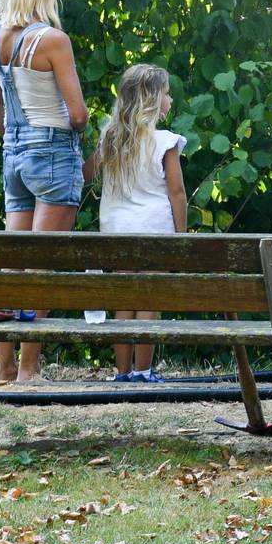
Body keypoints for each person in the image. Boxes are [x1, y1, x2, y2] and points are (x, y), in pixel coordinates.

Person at [0, 0, 91, 386]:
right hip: (53, 154)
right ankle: (29, 370)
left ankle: (3, 369)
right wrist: (62, 139)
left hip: (13, 154)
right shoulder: (53, 41)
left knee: (13, 264)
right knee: (42, 266)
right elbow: (78, 114)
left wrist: (19, 139)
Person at [89, 64, 187, 382]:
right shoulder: (164, 142)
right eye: (166, 93)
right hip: (155, 229)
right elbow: (177, 192)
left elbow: (86, 175)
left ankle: (122, 371)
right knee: (149, 299)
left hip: (117, 231)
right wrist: (182, 236)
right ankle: (144, 371)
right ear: (152, 99)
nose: (169, 99)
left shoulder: (110, 139)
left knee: (124, 300)